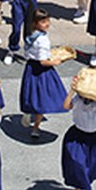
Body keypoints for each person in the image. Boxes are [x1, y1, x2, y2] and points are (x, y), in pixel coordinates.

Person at [19, 9, 68, 138]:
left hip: (30, 68)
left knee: (31, 93)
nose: (47, 24)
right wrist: (56, 62)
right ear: (35, 23)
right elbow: (42, 61)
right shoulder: (42, 40)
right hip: (42, 72)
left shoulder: (31, 36)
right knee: (43, 99)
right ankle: (36, 127)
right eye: (43, 21)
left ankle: (29, 111)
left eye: (47, 21)